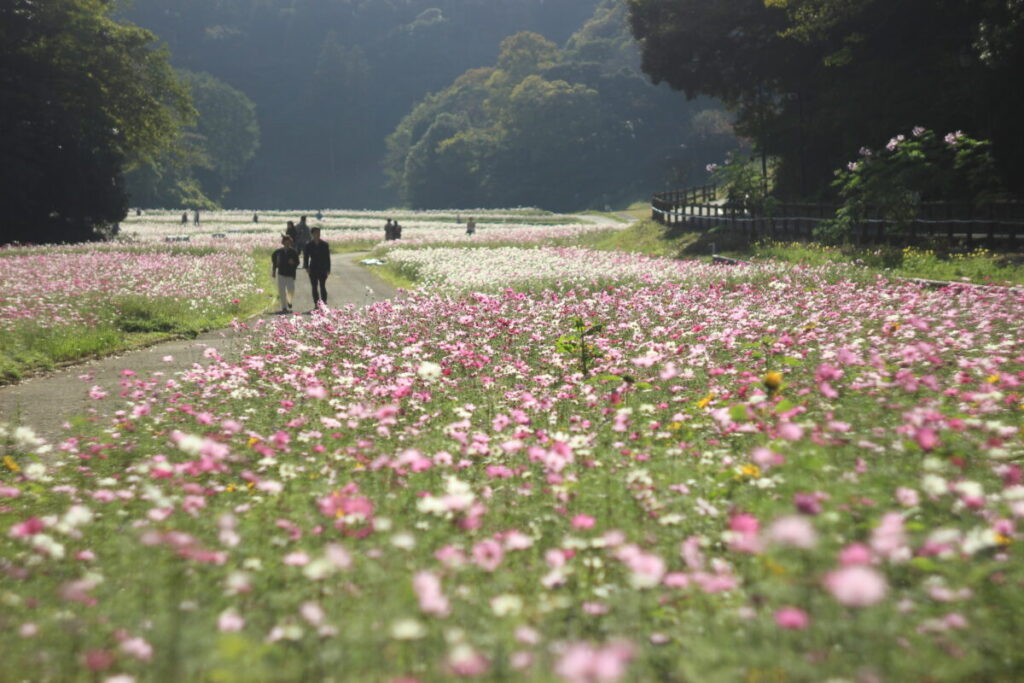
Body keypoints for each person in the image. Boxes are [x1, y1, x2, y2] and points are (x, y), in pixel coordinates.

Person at [303, 227, 331, 309]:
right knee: (314, 286)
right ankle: (316, 303)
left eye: (318, 233)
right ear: (312, 234)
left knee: (322, 286)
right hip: (313, 268)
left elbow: (327, 258)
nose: (317, 234)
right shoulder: (309, 245)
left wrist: (328, 269)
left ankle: (324, 302)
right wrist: (306, 267)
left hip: (322, 268)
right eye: (315, 233)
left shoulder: (325, 245)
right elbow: (306, 257)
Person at [271, 235, 299, 313]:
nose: (287, 244)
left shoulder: (293, 252)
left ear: (290, 243)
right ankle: (284, 307)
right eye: (285, 242)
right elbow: (274, 262)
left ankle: (289, 301)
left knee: (290, 290)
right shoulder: (278, 252)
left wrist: (293, 263)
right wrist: (273, 271)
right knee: (282, 291)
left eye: (288, 242)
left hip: (290, 274)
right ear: (283, 243)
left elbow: (297, 262)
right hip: (281, 274)